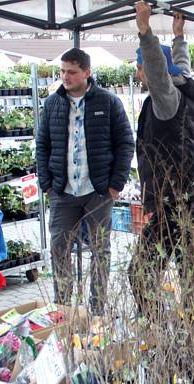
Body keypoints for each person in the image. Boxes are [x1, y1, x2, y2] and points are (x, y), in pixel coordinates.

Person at [37, 48, 135, 315]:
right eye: (62, 71)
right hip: (63, 191)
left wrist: (115, 184)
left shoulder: (108, 102)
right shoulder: (53, 104)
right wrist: (47, 183)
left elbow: (126, 143)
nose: (65, 77)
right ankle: (64, 307)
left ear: (87, 73)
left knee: (100, 250)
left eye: (71, 72)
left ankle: (97, 308)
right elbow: (42, 144)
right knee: (59, 249)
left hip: (97, 191)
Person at [129, 1, 194, 317]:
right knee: (192, 277)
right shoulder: (185, 90)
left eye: (139, 69)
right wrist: (179, 38)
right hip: (189, 198)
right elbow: (180, 68)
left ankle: (161, 329)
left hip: (172, 204)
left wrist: (145, 30)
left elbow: (159, 70)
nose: (138, 75)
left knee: (140, 273)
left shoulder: (166, 100)